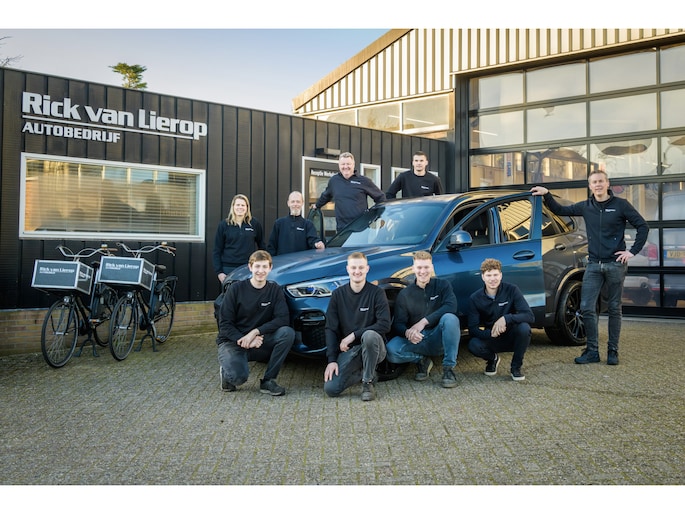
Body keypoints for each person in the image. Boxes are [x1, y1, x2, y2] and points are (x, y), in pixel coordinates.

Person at [531, 170, 649, 365]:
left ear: (607, 183)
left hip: (615, 265)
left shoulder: (621, 205)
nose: (598, 185)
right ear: (590, 186)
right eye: (594, 182)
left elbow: (643, 226)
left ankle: (613, 351)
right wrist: (547, 194)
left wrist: (632, 252)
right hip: (593, 265)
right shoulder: (586, 206)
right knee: (586, 307)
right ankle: (592, 351)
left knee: (614, 309)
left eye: (601, 181)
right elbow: (560, 210)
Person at [217, 250, 295, 396]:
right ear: (250, 267)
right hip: (233, 342)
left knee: (287, 333)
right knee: (238, 378)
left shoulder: (274, 290)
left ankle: (268, 381)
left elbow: (283, 319)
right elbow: (225, 324)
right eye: (257, 266)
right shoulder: (236, 289)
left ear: (270, 268)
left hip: (259, 340)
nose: (261, 271)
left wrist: (255, 333)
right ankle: (227, 373)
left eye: (264, 267)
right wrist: (244, 339)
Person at [385, 251, 461, 388]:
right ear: (413, 269)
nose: (423, 271)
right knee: (391, 350)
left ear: (432, 267)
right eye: (419, 267)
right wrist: (407, 333)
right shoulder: (405, 294)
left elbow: (451, 306)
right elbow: (398, 323)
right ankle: (422, 361)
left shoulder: (443, 285)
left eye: (426, 267)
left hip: (438, 337)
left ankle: (449, 369)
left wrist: (423, 322)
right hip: (417, 340)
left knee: (450, 319)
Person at [323, 252, 391, 401]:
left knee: (369, 335)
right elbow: (331, 329)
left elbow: (385, 324)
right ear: (348, 269)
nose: (357, 271)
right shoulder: (337, 295)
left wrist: (353, 335)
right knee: (331, 389)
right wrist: (332, 360)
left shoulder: (377, 293)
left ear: (367, 269)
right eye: (353, 268)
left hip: (375, 347)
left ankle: (367, 383)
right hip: (352, 351)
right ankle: (367, 372)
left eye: (361, 267)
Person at [467, 258, 534, 381]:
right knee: (473, 344)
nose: (492, 279)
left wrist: (506, 318)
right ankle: (492, 359)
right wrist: (491, 333)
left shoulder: (512, 290)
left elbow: (529, 316)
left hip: (511, 336)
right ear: (483, 277)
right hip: (492, 338)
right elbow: (472, 329)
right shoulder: (475, 298)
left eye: (495, 275)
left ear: (501, 275)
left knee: (524, 328)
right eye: (489, 275)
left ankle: (516, 367)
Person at [313, 152, 385, 231]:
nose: (345, 167)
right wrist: (316, 206)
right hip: (342, 230)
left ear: (353, 165)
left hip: (361, 229)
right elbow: (326, 196)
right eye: (343, 164)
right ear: (339, 165)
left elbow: (380, 197)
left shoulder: (364, 181)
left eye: (348, 164)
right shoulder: (334, 181)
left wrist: (376, 215)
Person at [212, 194, 265, 284]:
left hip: (248, 267)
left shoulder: (254, 224)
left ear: (247, 207)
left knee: (248, 292)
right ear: (233, 207)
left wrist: (261, 266)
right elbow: (217, 250)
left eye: (243, 205)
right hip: (228, 269)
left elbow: (262, 246)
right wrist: (219, 272)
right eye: (238, 205)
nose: (240, 207)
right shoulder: (224, 225)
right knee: (230, 293)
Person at [267, 190, 324, 256]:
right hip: (283, 261)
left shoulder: (308, 224)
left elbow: (313, 240)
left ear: (302, 203)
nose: (295, 204)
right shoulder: (279, 223)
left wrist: (317, 244)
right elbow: (271, 246)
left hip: (301, 262)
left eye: (298, 201)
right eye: (293, 201)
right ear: (288, 203)